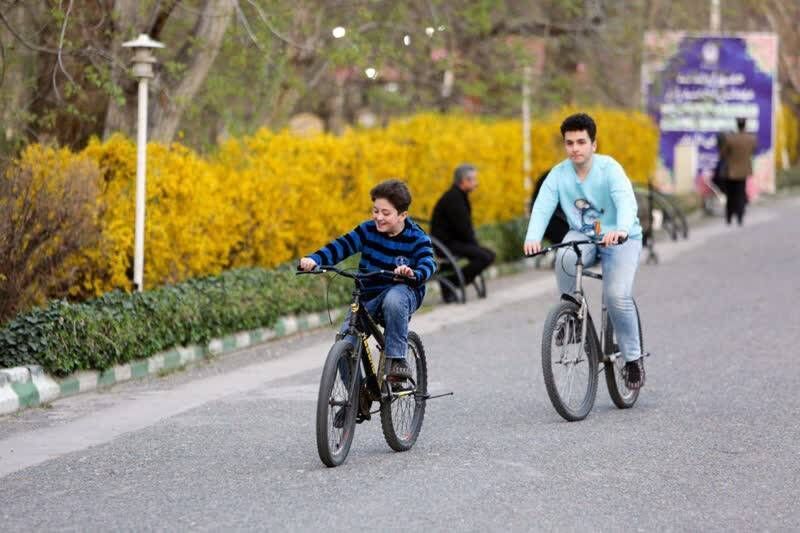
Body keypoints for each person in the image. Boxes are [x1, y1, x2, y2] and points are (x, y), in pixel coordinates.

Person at [523, 113, 646, 389]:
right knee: (565, 256)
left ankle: (632, 359)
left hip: (620, 237)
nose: (575, 148)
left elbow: (626, 201)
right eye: (569, 143)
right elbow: (542, 206)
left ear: (594, 144)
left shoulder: (609, 169)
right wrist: (533, 238)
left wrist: (623, 229)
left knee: (616, 296)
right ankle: (573, 318)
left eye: (581, 142)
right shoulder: (559, 174)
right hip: (584, 234)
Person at [298, 179, 436, 382]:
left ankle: (396, 360)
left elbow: (429, 264)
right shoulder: (368, 230)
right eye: (375, 211)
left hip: (403, 293)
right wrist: (314, 259)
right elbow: (341, 246)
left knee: (393, 298)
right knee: (344, 343)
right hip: (368, 293)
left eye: (386, 213)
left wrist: (413, 273)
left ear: (402, 215)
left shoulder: (417, 238)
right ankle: (355, 402)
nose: (378, 217)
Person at [430, 163, 496, 302]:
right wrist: (476, 247)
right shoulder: (454, 198)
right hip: (445, 244)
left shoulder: (458, 195)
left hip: (453, 242)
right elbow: (464, 229)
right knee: (485, 257)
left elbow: (464, 228)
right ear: (463, 181)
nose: (476, 183)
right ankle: (451, 283)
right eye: (473, 180)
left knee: (487, 255)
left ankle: (450, 284)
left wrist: (475, 247)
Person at [720, 117, 757, 226]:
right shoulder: (751, 139)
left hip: (731, 172)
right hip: (744, 171)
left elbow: (723, 154)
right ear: (744, 125)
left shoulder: (730, 138)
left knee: (731, 195)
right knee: (740, 194)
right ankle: (740, 217)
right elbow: (753, 151)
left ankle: (729, 217)